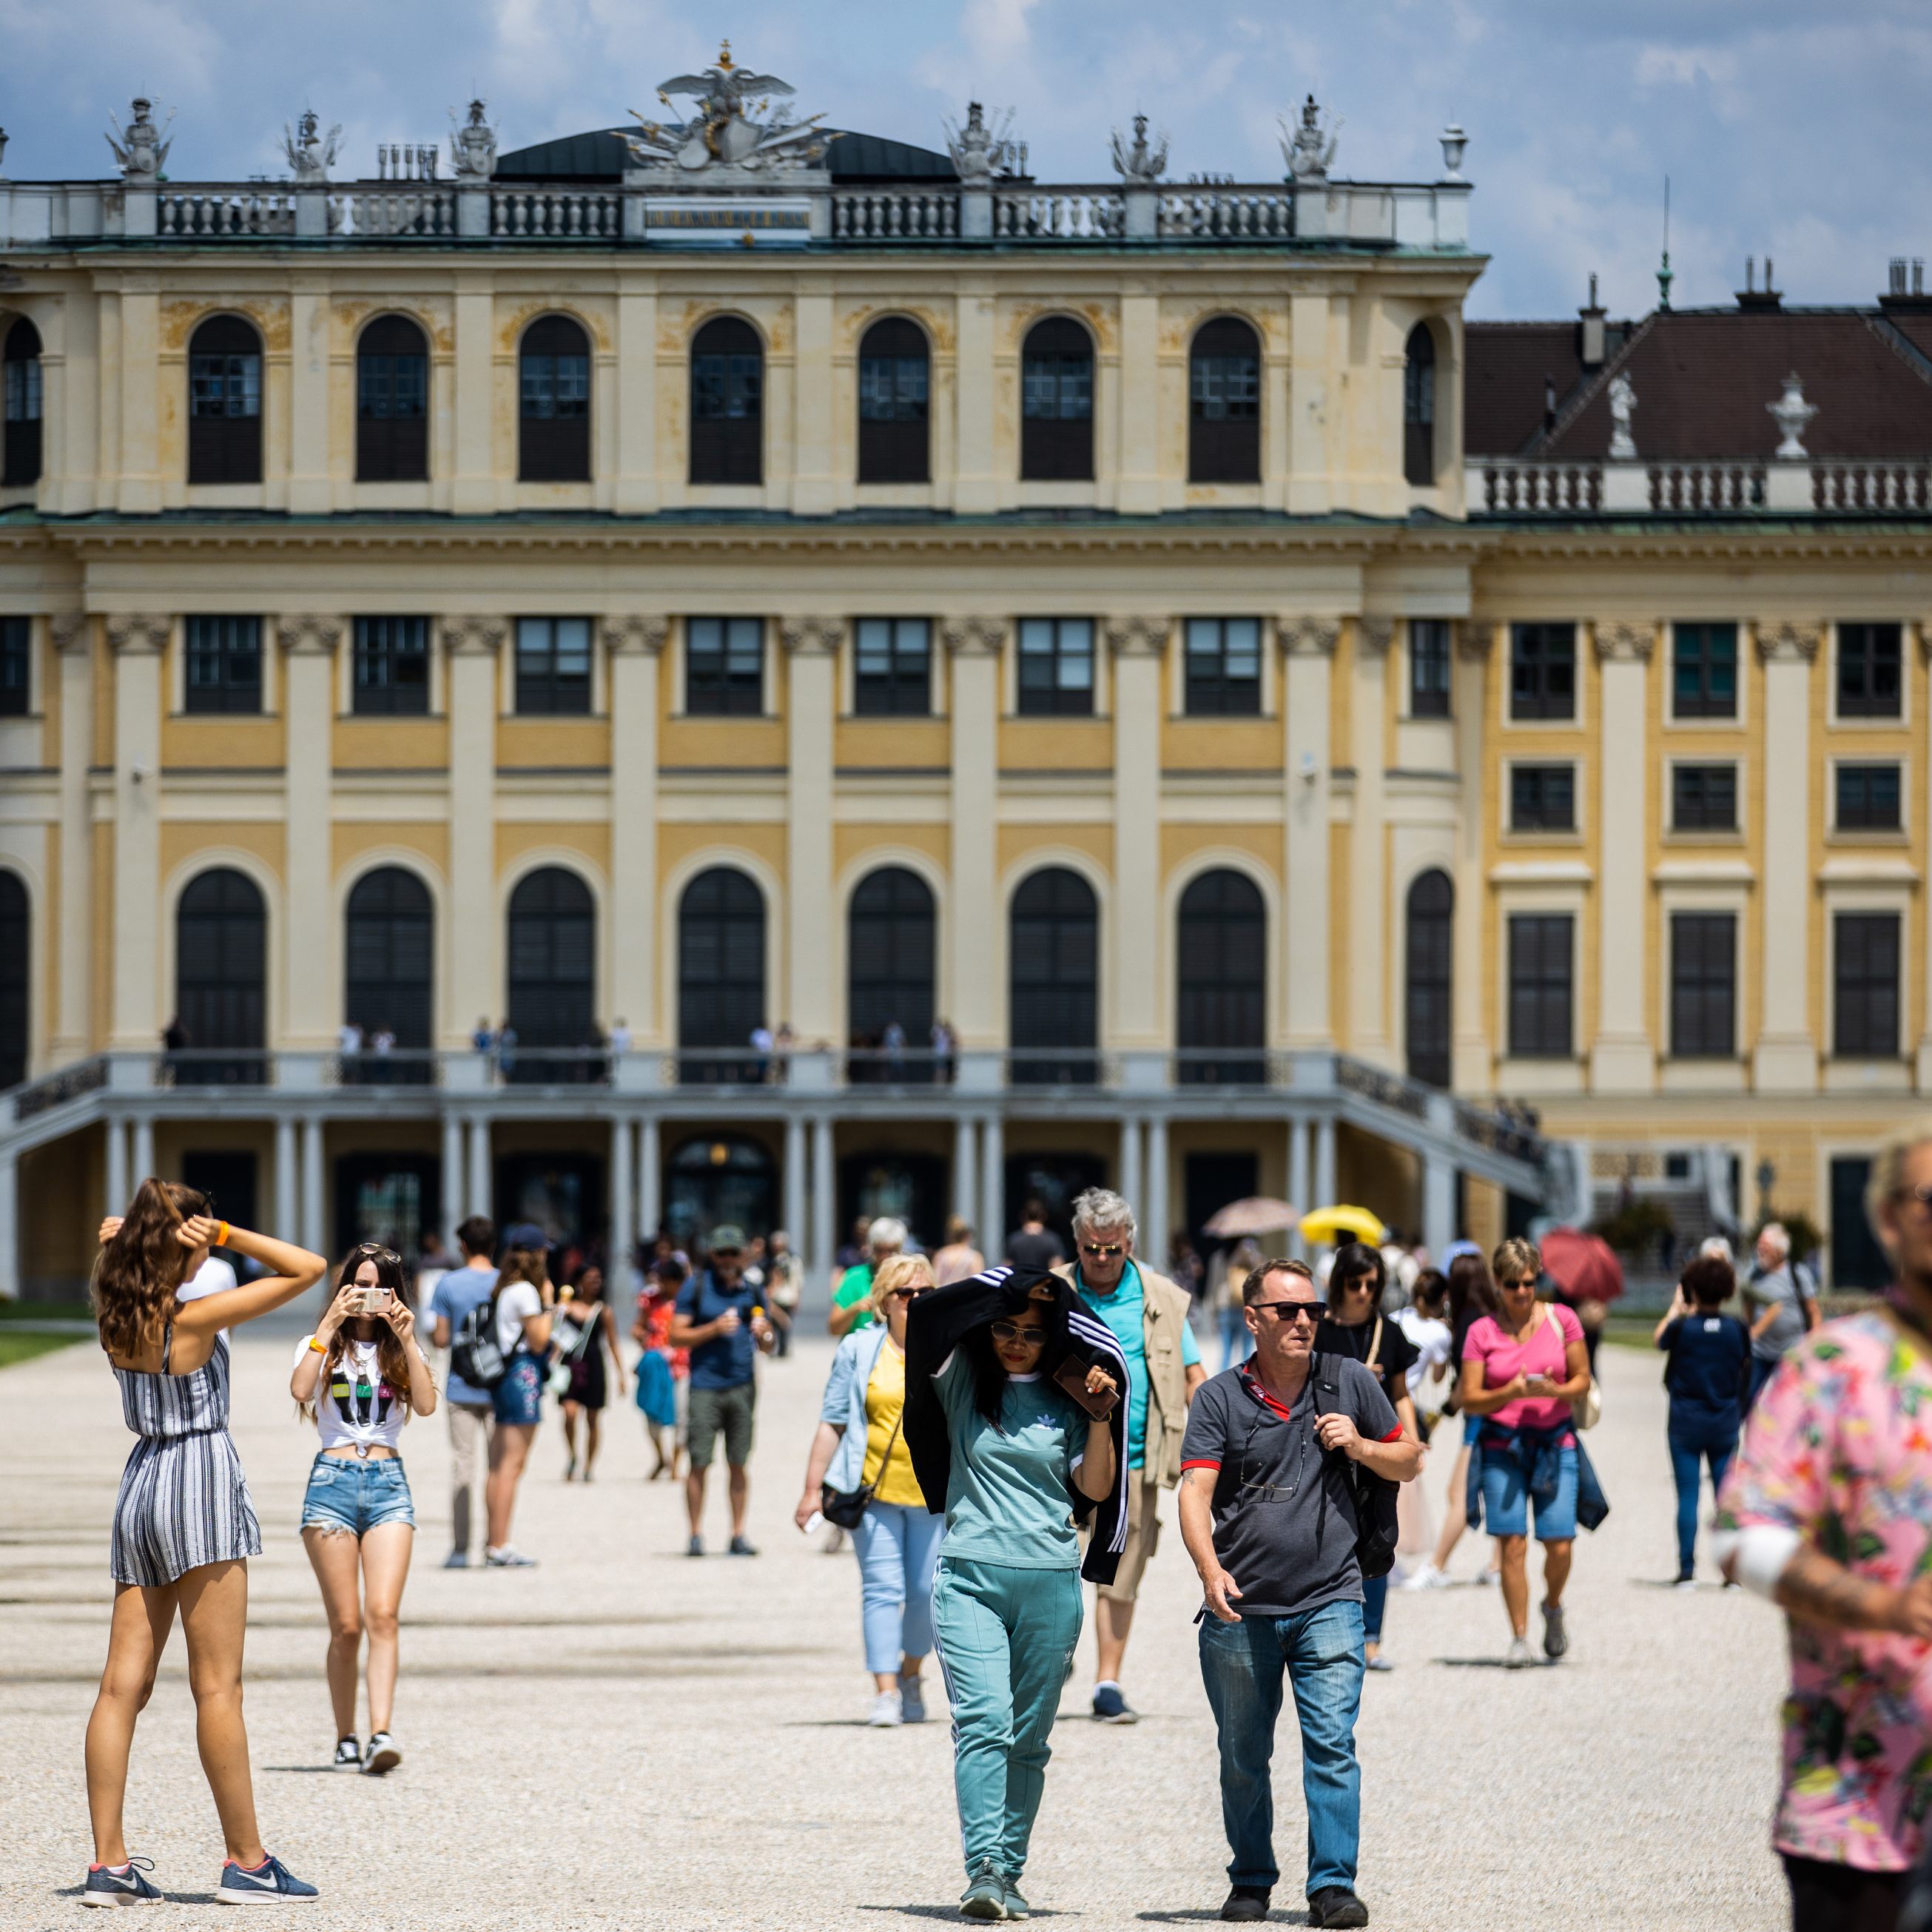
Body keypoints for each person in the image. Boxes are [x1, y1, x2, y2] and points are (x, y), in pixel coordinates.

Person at [82, 1181, 328, 1907]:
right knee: (217, 1683)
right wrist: (222, 1233)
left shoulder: (114, 1314)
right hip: (199, 1475)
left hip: (143, 1477)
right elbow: (308, 1267)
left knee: (120, 1683)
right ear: (181, 1242)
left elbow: (113, 1247)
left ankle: (108, 1863)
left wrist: (139, 1235)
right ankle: (246, 1861)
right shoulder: (194, 1317)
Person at [1716, 1120, 1932, 1932]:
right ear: (1886, 1219)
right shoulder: (1833, 1369)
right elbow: (1741, 1536)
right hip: (1858, 1804)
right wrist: (1870, 1605)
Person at [1178, 1257, 1420, 1928]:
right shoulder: (1219, 1397)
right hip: (1240, 1606)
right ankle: (1251, 1877)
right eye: (1287, 1310)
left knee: (1332, 1743)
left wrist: (1363, 1444)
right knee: (1241, 1755)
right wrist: (1208, 1570)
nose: (1304, 1320)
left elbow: (1410, 1456)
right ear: (1252, 1317)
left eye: (1311, 1309)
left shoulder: (1348, 1381)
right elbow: (1193, 1491)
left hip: (1332, 1598)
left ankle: (1332, 1886)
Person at [902, 1265, 1128, 1921]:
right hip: (970, 1575)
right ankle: (982, 1869)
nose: (1015, 1341)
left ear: (1052, 1334)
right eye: (1005, 1327)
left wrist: (1098, 1416)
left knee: (1028, 1738)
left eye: (1031, 1331)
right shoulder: (965, 1380)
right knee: (983, 1723)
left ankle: (1010, 1868)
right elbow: (930, 1315)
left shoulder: (1070, 1396)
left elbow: (1093, 1489)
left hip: (1050, 1582)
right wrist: (1017, 1287)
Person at [1056, 1185, 1206, 1723]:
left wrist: (1219, 1433)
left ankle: (1107, 1682)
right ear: (1077, 1241)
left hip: (1136, 1461)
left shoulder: (1161, 1296)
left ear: (1129, 1242)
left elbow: (1193, 1376)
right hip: (1056, 1459)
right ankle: (1055, 1655)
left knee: (1119, 1573)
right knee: (1052, 1565)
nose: (1100, 1259)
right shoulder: (1051, 1291)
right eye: (1091, 1248)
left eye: (1111, 1249)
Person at [289, 1242, 437, 1776]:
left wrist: (408, 1335)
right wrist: (328, 1324)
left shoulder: (402, 1350)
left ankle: (380, 1732)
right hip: (330, 1483)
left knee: (383, 1615)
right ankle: (345, 1734)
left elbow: (424, 1404)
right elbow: (301, 1388)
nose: (367, 1298)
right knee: (346, 1625)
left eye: (378, 1287)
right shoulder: (321, 1343)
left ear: (394, 1292)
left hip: (387, 1483)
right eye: (357, 1286)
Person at [795, 1253, 943, 1725]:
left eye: (925, 1293)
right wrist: (810, 1490)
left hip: (931, 1494)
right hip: (872, 1491)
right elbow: (832, 1422)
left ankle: (910, 1672)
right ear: (884, 1302)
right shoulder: (859, 1350)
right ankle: (885, 1692)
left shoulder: (950, 1350)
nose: (916, 1301)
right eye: (905, 1294)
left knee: (926, 1593)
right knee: (882, 1590)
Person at [1458, 1238, 1600, 1667]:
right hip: (1502, 1448)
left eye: (1529, 1282)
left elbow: (1583, 1379)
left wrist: (1555, 1389)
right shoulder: (1482, 1332)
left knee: (1560, 1544)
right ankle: (1519, 1637)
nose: (1522, 1292)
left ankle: (1552, 1607)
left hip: (1556, 1444)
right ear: (1497, 1285)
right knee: (1512, 1544)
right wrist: (1509, 1392)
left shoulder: (1563, 1320)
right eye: (1512, 1284)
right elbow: (1470, 1399)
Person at [1316, 1243, 1421, 1672]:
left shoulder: (1388, 1331)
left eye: (1371, 1285)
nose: (1362, 1292)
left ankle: (1372, 1639)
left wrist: (1411, 1442)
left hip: (1376, 1445)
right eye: (1354, 1283)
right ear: (1339, 1282)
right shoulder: (1316, 1328)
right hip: (1327, 1445)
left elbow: (1401, 1393)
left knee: (1377, 1536)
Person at [670, 1226, 775, 1556]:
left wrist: (765, 1334)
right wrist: (714, 1329)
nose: (728, 1260)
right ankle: (696, 1534)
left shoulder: (754, 1291)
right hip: (705, 1386)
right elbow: (675, 1335)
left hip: (743, 1386)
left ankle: (737, 1533)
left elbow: (769, 1346)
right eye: (722, 1254)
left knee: (739, 1462)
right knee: (699, 1461)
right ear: (712, 1256)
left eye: (734, 1253)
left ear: (743, 1255)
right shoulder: (696, 1286)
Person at [1654, 1253, 1751, 1587]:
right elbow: (1745, 1368)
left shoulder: (1683, 1328)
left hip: (1685, 1421)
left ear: (1691, 1289)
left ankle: (1686, 1571)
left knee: (1687, 1497)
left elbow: (1659, 1341)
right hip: (1724, 1420)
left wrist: (1677, 1308)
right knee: (1726, 1501)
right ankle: (1732, 1573)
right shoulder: (1736, 1328)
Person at [1403, 1249, 1498, 1592]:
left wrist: (1445, 1410)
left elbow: (1466, 1382)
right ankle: (1499, 1564)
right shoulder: (1492, 1315)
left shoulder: (1470, 1320)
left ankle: (1437, 1565)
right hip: (1498, 1413)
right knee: (1499, 1490)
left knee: (1458, 1493)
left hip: (1480, 1416)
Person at [430, 1216, 499, 1569]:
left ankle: (459, 1548)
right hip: (499, 1387)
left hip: (461, 1384)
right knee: (498, 1469)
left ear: (462, 1246)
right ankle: (496, 1543)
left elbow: (440, 1339)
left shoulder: (448, 1284)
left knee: (463, 1467)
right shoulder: (505, 1283)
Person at [482, 1226, 553, 1567]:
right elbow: (539, 1340)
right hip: (521, 1375)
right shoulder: (526, 1291)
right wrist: (551, 1304)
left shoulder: (506, 1287)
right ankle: (500, 1543)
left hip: (504, 1377)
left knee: (498, 1465)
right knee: (512, 1465)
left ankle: (493, 1540)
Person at [553, 1265, 626, 1482]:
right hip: (570, 1366)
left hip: (594, 1366)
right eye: (591, 1278)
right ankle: (573, 1455)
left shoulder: (604, 1312)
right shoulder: (566, 1309)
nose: (596, 1282)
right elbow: (555, 1338)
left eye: (598, 1278)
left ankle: (588, 1465)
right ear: (579, 1282)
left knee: (593, 1419)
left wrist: (621, 1374)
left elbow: (613, 1342)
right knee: (570, 1413)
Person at [1743, 1221, 1821, 1410]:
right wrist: (1747, 1338)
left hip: (1791, 1352)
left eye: (1765, 1247)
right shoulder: (1753, 1275)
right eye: (1759, 1246)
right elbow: (1749, 1309)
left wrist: (1816, 1343)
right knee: (1752, 1401)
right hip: (1761, 1353)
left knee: (1792, 1403)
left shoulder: (1797, 1274)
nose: (1759, 1250)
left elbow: (1813, 1311)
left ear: (1779, 1251)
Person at [632, 1257, 687, 1479]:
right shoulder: (649, 1300)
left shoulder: (689, 1302)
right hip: (655, 1366)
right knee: (651, 1417)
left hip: (681, 1367)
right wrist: (643, 1339)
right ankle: (661, 1457)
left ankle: (676, 1463)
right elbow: (637, 1327)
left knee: (682, 1417)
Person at [829, 1215, 908, 1339]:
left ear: (900, 1249)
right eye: (879, 1250)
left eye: (891, 1251)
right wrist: (855, 1308)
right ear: (871, 1248)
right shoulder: (854, 1278)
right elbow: (833, 1328)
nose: (885, 1256)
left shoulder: (909, 1278)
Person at [1215, 1239, 1265, 1371]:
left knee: (1227, 1350)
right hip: (1243, 1309)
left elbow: (1215, 1284)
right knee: (1245, 1349)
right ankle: (1245, 1378)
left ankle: (1221, 1380)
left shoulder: (1224, 1258)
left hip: (1228, 1308)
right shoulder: (1251, 1261)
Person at [764, 1229, 803, 1357]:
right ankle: (773, 1348)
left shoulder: (793, 1260)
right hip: (775, 1297)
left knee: (785, 1325)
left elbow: (797, 1280)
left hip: (787, 1296)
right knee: (774, 1324)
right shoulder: (769, 1260)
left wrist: (797, 1297)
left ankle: (783, 1348)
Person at [1003, 1199, 1065, 1273]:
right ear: (1043, 1215)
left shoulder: (1014, 1239)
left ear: (1024, 1216)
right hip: (1044, 1283)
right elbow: (1057, 1268)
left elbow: (1007, 1268)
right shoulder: (1052, 1240)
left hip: (1019, 1283)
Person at [934, 1216, 986, 1287]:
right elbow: (979, 1283)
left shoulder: (941, 1254)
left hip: (946, 1295)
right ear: (966, 1236)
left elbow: (936, 1281)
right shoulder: (975, 1256)